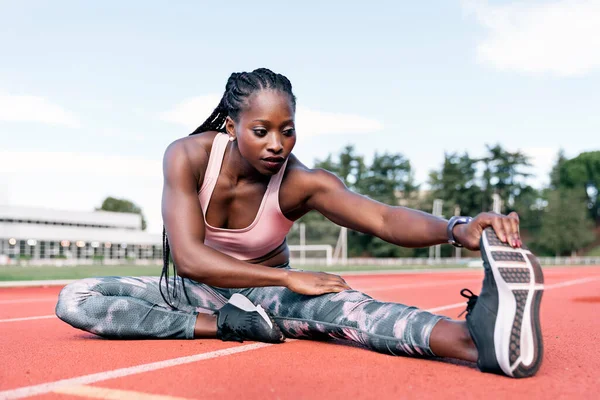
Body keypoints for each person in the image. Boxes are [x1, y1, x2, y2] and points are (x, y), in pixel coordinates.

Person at [56, 68, 544, 378]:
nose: (276, 144)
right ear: (231, 125)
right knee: (76, 299)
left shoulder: (300, 182)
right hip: (196, 292)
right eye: (261, 131)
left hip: (268, 298)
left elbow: (382, 217)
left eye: (286, 131)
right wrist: (285, 276)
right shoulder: (186, 156)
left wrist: (457, 229)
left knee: (348, 310)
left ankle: (475, 340)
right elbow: (188, 257)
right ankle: (222, 327)